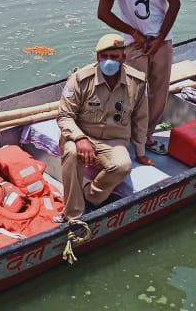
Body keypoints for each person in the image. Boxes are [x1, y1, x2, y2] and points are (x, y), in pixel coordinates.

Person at [55, 34, 151, 221]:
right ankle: (73, 215)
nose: (109, 61)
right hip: (81, 136)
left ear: (123, 57)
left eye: (114, 57)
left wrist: (140, 152)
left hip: (114, 141)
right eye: (104, 56)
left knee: (123, 165)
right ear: (97, 57)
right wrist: (80, 138)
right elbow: (64, 116)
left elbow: (141, 119)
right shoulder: (80, 79)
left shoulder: (137, 82)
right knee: (72, 153)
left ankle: (91, 195)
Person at [97, 0, 181, 132]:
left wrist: (160, 39)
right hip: (135, 43)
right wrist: (133, 32)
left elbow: (175, 4)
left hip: (162, 38)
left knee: (159, 91)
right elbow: (103, 12)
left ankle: (147, 133)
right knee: (133, 92)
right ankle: (130, 132)